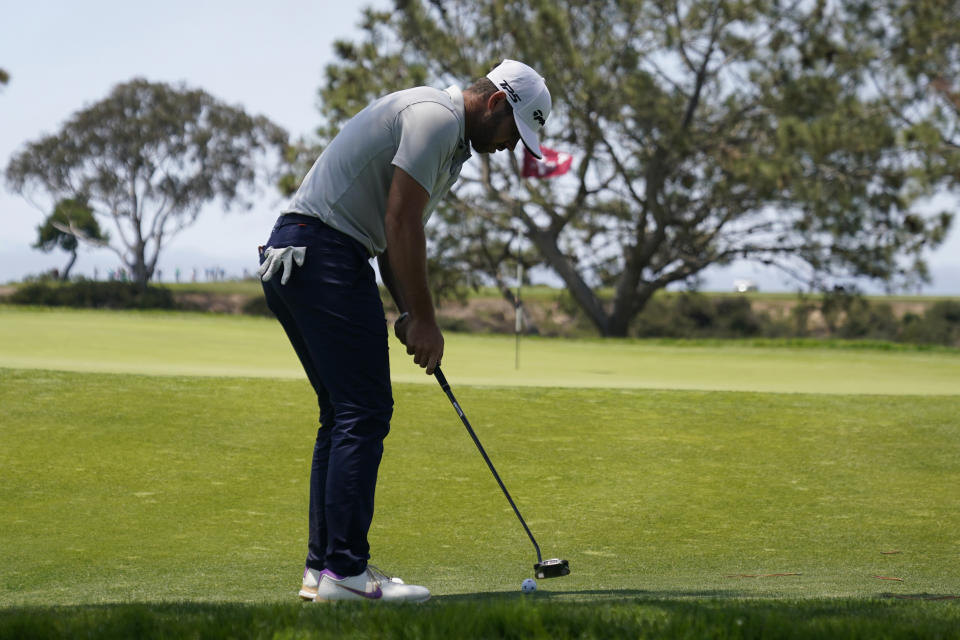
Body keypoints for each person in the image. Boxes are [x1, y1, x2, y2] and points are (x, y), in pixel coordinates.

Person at [257, 59, 551, 603]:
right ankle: (345, 572)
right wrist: (429, 321)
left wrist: (411, 313)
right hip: (325, 254)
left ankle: (324, 572)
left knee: (343, 414)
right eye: (516, 130)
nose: (514, 146)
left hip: (305, 252)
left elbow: (394, 239)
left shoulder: (451, 142)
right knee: (363, 413)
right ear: (494, 103)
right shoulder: (435, 117)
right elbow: (401, 222)